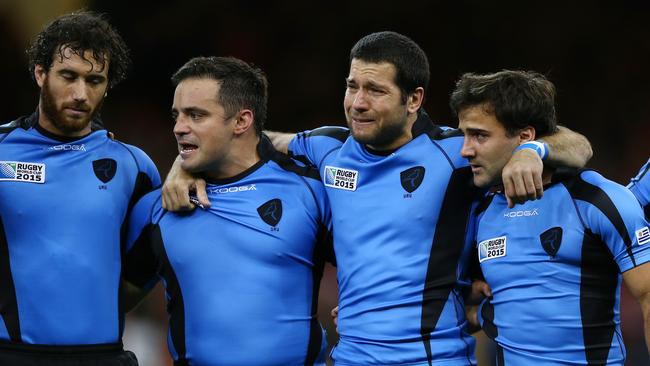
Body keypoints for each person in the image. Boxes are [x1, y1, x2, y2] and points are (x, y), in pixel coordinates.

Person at [163, 32, 592, 365]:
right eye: (352, 86)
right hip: (349, 356)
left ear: (414, 99)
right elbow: (246, 143)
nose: (358, 103)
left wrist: (531, 150)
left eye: (375, 90)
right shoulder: (327, 147)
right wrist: (185, 163)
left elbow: (577, 146)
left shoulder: (456, 153)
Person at [123, 56, 333, 365]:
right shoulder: (158, 207)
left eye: (196, 115)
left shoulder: (310, 189)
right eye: (177, 115)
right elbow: (111, 303)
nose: (180, 128)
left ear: (241, 121)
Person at [453, 70, 650, 365]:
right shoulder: (480, 211)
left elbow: (647, 296)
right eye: (465, 134)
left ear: (524, 137)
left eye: (479, 135)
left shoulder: (595, 200)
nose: (465, 150)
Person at [0, 11, 160, 366]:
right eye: (68, 76)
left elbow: (146, 264)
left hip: (102, 357)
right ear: (41, 73)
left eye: (95, 80)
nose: (80, 94)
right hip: (13, 355)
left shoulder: (136, 168)